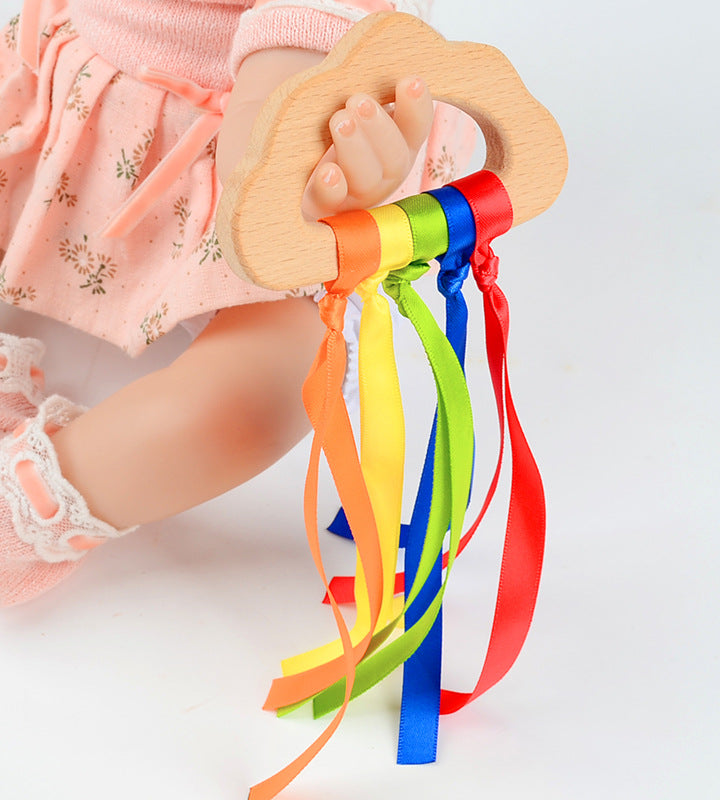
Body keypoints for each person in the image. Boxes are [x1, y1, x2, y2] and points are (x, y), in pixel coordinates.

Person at [0, 0, 475, 606]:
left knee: (265, 392)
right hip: (69, 93)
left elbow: (299, 74)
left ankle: (38, 498)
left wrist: (284, 134)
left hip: (279, 179)